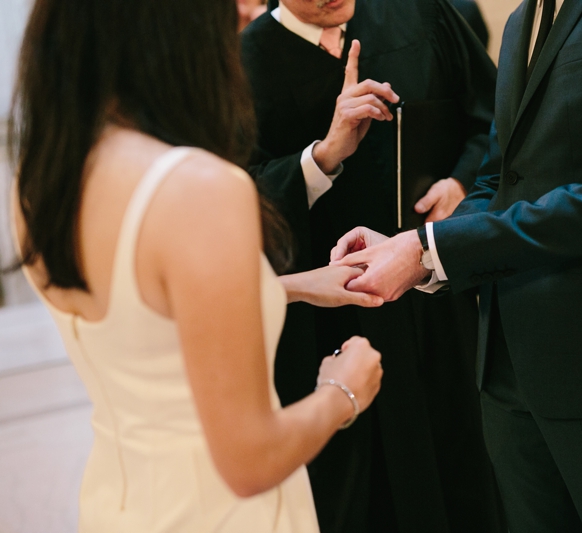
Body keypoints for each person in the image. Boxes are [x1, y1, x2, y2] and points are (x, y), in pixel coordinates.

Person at [331, 0, 582, 530]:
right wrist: (418, 248)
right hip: (508, 362)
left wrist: (427, 249)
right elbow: (498, 179)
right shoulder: (522, 19)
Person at [8, 1, 384, 531]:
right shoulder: (196, 188)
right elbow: (250, 460)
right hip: (223, 512)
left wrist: (296, 286)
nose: (245, 16)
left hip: (120, 501)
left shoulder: (44, 179)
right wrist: (342, 391)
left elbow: (146, 321)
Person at [240, 1, 502, 532]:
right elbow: (233, 198)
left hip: (434, 303)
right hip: (329, 322)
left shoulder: (421, 15)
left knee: (461, 473)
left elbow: (495, 118)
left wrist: (462, 186)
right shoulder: (243, 61)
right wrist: (322, 157)